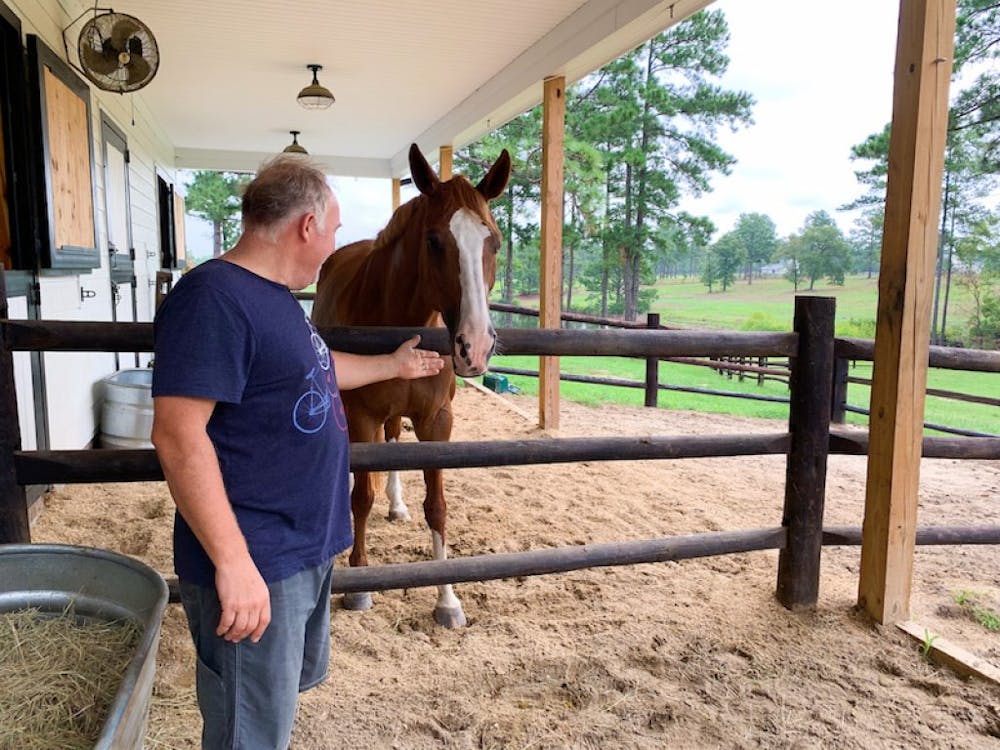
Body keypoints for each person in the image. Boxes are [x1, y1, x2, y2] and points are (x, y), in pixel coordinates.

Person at [151, 155, 444, 750]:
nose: (336, 241)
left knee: (270, 715)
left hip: (302, 549)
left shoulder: (276, 299)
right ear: (307, 226)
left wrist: (394, 365)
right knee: (248, 730)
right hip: (257, 561)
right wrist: (234, 564)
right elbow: (178, 435)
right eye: (335, 229)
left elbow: (313, 368)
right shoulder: (213, 299)